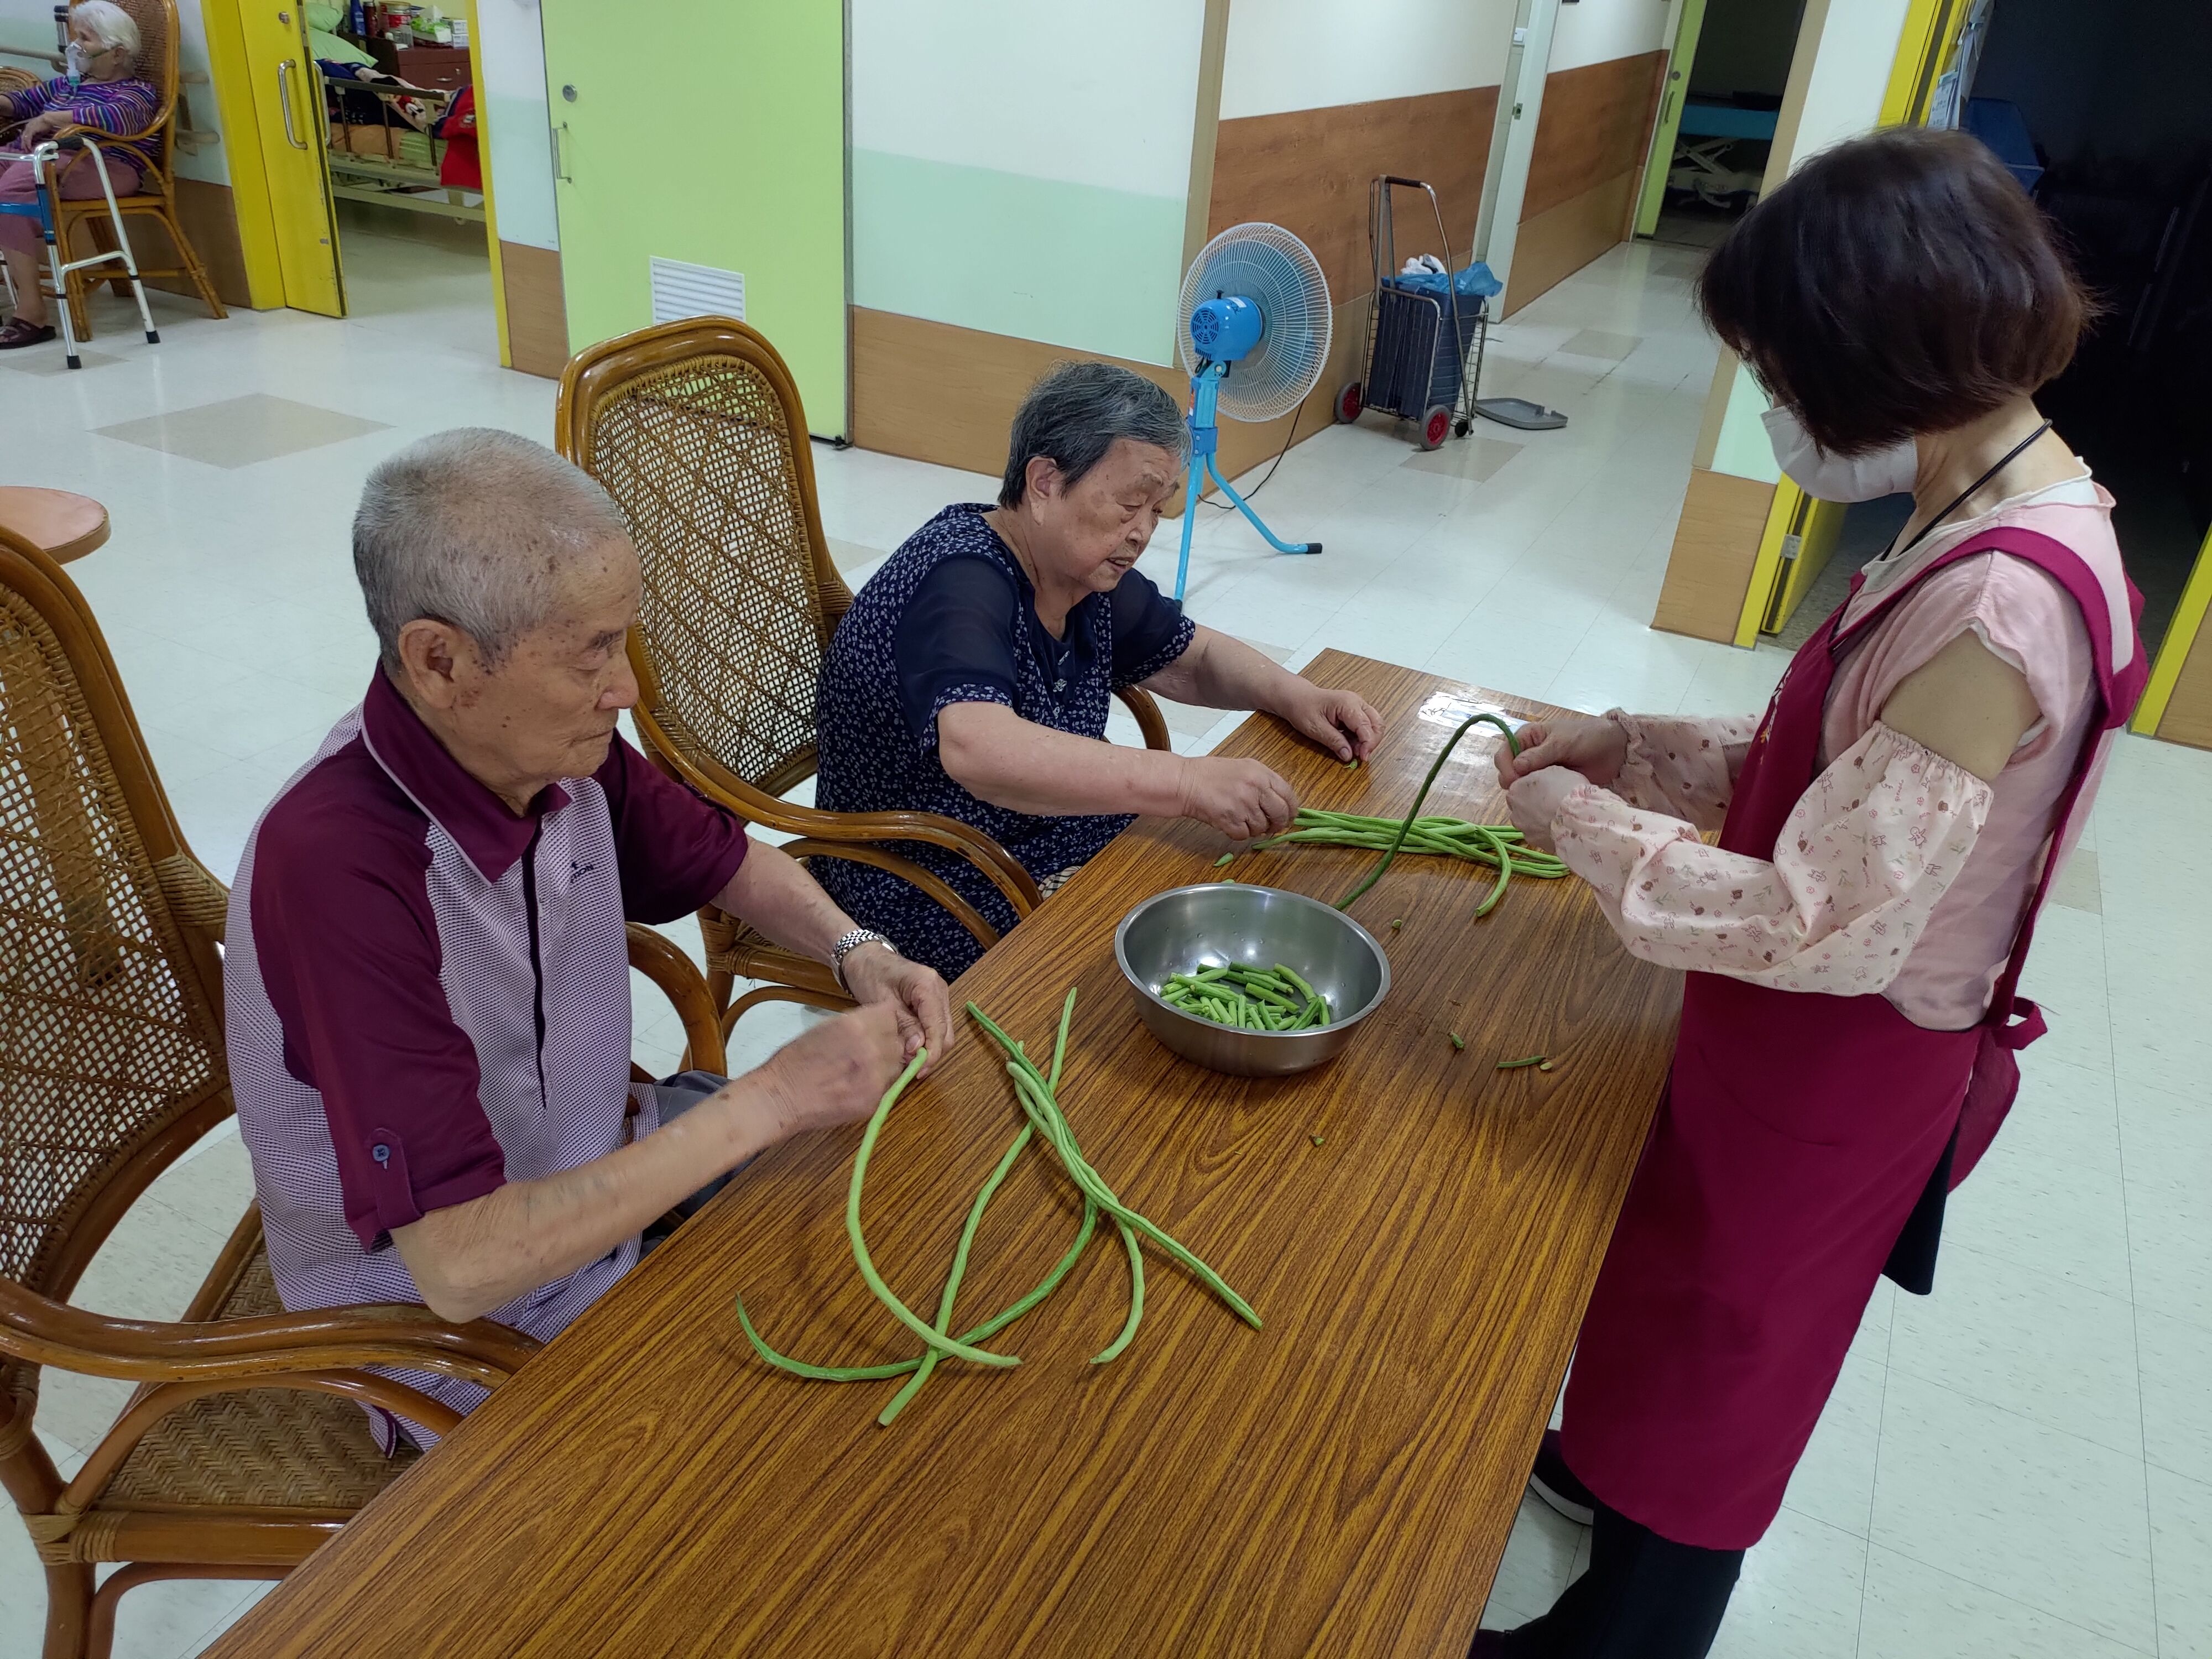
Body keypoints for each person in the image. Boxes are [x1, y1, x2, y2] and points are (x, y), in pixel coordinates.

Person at [1477, 128, 2147, 1658]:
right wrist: (1640, 745)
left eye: (1785, 378)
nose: (1780, 413)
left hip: (1841, 1055)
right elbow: (1849, 760)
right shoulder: (1999, 501)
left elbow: (1814, 915)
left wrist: (1578, 817)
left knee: (1732, 1366)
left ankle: (1630, 1631)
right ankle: (1608, 1472)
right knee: (1670, 1291)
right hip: (1787, 1046)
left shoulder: (1998, 606)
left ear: (1884, 356)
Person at [226, 429, 954, 1447]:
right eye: (591, 654)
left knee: (918, 1207)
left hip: (599, 1172)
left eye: (623, 642)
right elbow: (462, 1264)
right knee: (819, 1438)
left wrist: (855, 949)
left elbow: (723, 859)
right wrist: (774, 1097)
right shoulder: (340, 869)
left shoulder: (555, 756)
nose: (627, 690)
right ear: (440, 662)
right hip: (453, 1321)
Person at [814, 361, 1384, 977]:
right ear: (1044, 483)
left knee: (1243, 894)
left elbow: (1192, 659)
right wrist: (1186, 782)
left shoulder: (1082, 570)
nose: (1142, 533)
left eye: (1157, 511)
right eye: (1128, 504)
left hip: (1038, 833)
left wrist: (1296, 695)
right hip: (929, 875)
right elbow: (977, 749)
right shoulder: (959, 579)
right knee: (1162, 968)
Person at [0, 0, 158, 351]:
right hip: (43, 161)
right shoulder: (67, 86)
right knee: (13, 191)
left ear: (117, 53)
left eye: (84, 39)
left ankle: (32, 315)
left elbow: (118, 119)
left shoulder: (137, 93)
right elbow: (21, 103)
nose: (76, 48)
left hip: (104, 166)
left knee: (12, 191)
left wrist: (51, 120)